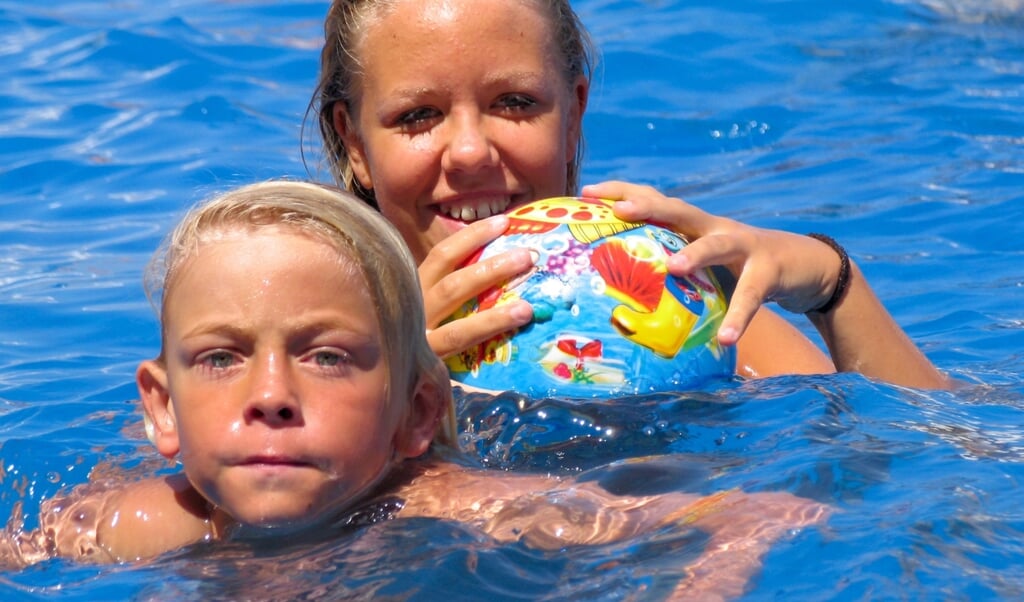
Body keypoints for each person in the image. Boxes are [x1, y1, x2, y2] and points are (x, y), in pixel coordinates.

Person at [0, 181, 827, 598]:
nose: (271, 394)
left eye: (326, 356)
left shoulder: (451, 506)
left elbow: (752, 513)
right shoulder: (137, 522)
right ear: (162, 407)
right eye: (221, 359)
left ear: (419, 412)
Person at [309, 0, 950, 390]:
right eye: (418, 115)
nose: (471, 151)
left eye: (515, 103)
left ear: (574, 117)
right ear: (356, 144)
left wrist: (831, 284)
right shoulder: (306, 333)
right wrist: (386, 386)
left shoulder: (665, 313)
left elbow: (942, 458)